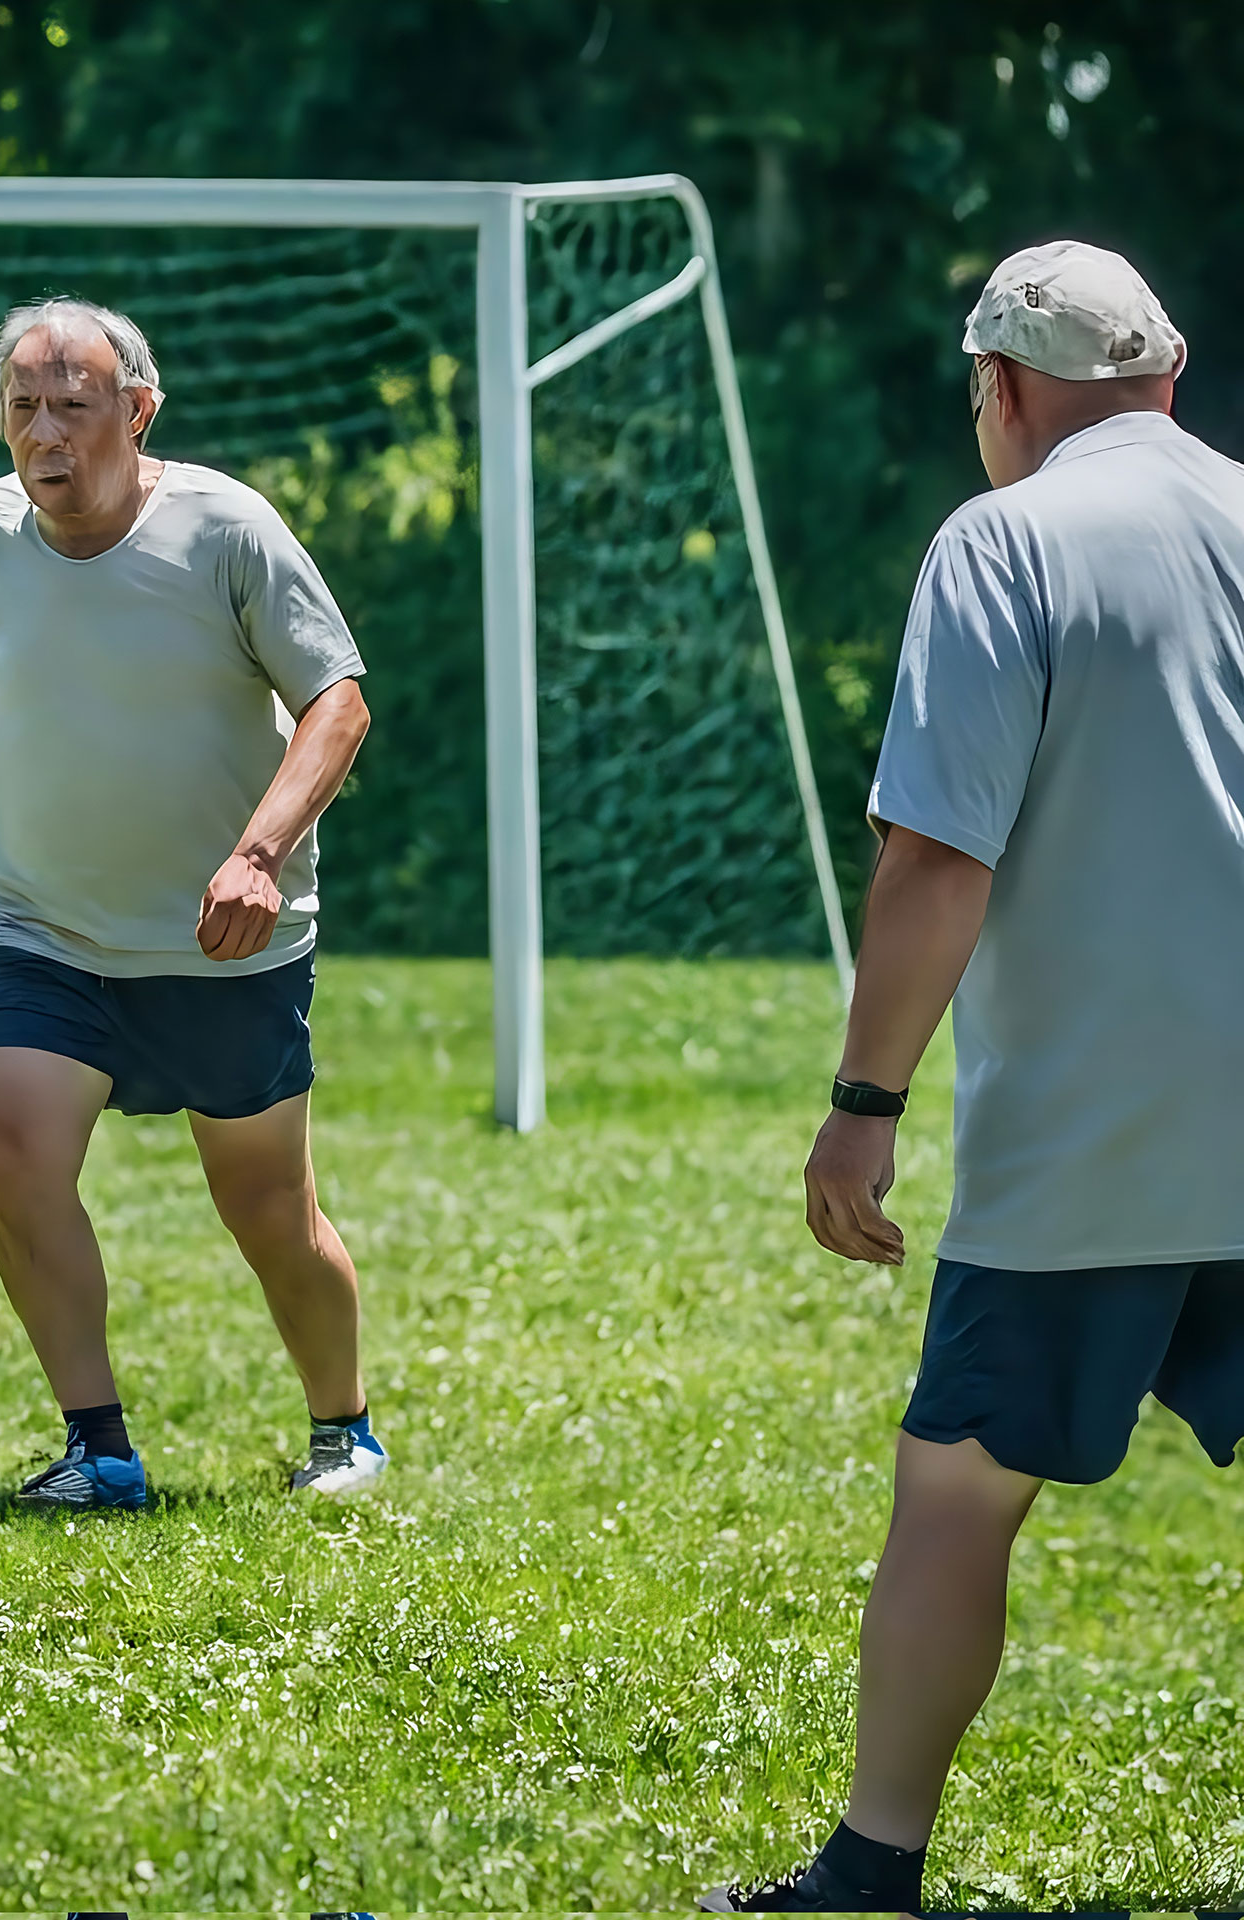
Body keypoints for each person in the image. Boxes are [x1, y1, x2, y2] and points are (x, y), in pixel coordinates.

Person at [705, 241, 1244, 1913]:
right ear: (1162, 374)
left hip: (1098, 1130)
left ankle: (871, 1873)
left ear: (998, 391)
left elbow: (937, 857)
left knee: (958, 1491)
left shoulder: (1000, 540)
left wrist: (864, 1109)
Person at [0, 297, 385, 1509]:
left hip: (223, 939)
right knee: (12, 1154)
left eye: (72, 406)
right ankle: (100, 1450)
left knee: (269, 1214)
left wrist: (260, 852)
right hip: (41, 929)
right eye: (22, 408)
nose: (44, 432)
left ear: (137, 411)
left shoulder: (227, 529)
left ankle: (345, 1430)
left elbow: (337, 702)